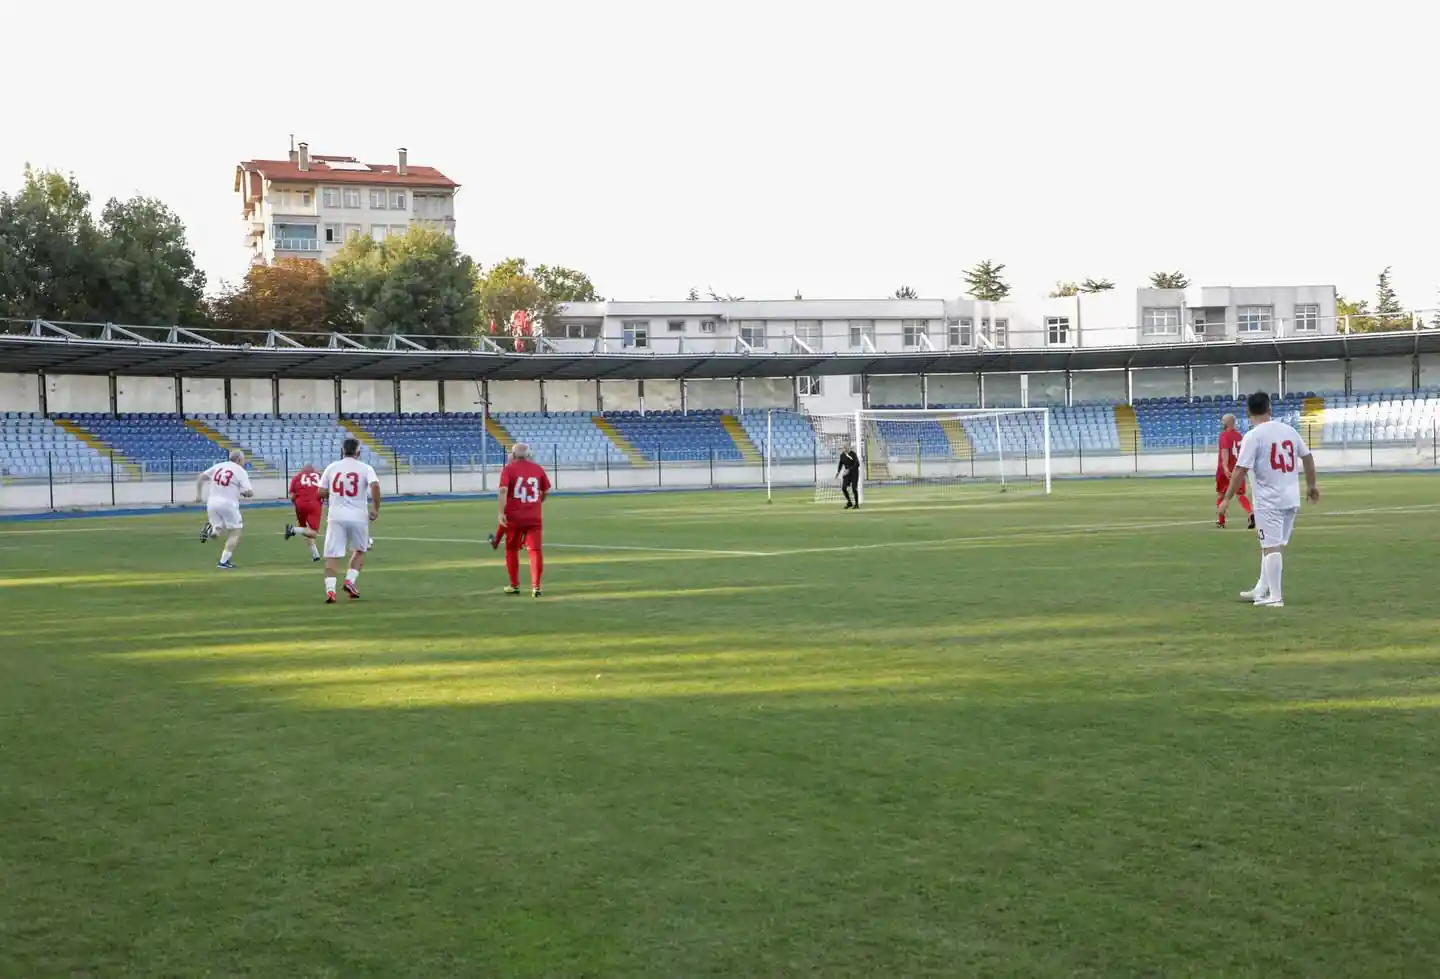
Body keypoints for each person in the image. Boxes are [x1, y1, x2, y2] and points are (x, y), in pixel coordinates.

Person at [1219, 391, 1320, 608]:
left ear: (1248, 412)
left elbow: (1240, 470)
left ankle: (1275, 596)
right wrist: (1311, 486)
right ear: (1270, 408)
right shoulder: (1289, 430)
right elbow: (1308, 457)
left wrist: (1227, 499)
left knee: (1270, 547)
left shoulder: (1254, 436)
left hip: (1269, 501)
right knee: (1271, 545)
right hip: (1290, 499)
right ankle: (1261, 589)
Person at [317, 438, 380, 603]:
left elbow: (321, 492)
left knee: (332, 555)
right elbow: (375, 486)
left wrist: (334, 493)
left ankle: (330, 591)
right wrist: (375, 509)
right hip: (358, 516)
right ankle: (350, 581)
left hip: (336, 516)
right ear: (358, 452)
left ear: (342, 451)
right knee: (360, 549)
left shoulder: (332, 468)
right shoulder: (366, 468)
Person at [494, 442, 551, 597]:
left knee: (512, 550)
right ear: (528, 454)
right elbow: (546, 490)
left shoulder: (509, 469)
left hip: (514, 516)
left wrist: (500, 512)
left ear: (513, 454)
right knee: (535, 551)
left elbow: (503, 490)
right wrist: (538, 502)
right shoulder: (538, 468)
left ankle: (514, 585)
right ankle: (536, 587)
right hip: (534, 516)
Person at [196, 450, 253, 570]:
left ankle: (211, 529)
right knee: (235, 531)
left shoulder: (219, 466)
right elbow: (249, 491)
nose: (244, 462)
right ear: (238, 460)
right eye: (243, 459)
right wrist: (247, 493)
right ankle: (223, 562)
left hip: (212, 503)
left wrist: (199, 495)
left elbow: (201, 476)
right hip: (228, 504)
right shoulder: (240, 471)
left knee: (217, 532)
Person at [1215, 414, 1254, 530]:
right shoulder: (1239, 436)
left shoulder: (1224, 435)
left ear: (1226, 423)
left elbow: (1225, 451)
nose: (1222, 423)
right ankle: (1250, 513)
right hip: (1239, 467)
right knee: (1240, 494)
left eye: (1223, 421)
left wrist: (1225, 467)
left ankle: (1221, 521)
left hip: (1225, 470)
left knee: (1222, 494)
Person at [284, 462, 324, 562]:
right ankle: (293, 530)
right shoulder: (319, 476)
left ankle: (315, 555)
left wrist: (297, 505)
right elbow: (325, 491)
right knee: (313, 532)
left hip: (300, 503)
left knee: (305, 529)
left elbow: (292, 496)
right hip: (314, 503)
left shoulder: (297, 477)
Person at [837, 443, 860, 509]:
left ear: (846, 448)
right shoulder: (842, 455)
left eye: (843, 448)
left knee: (854, 489)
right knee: (843, 488)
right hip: (847, 474)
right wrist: (838, 472)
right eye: (841, 448)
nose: (842, 449)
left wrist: (849, 469)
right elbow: (840, 463)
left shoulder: (853, 454)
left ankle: (856, 504)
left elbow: (857, 464)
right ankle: (849, 502)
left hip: (854, 473)